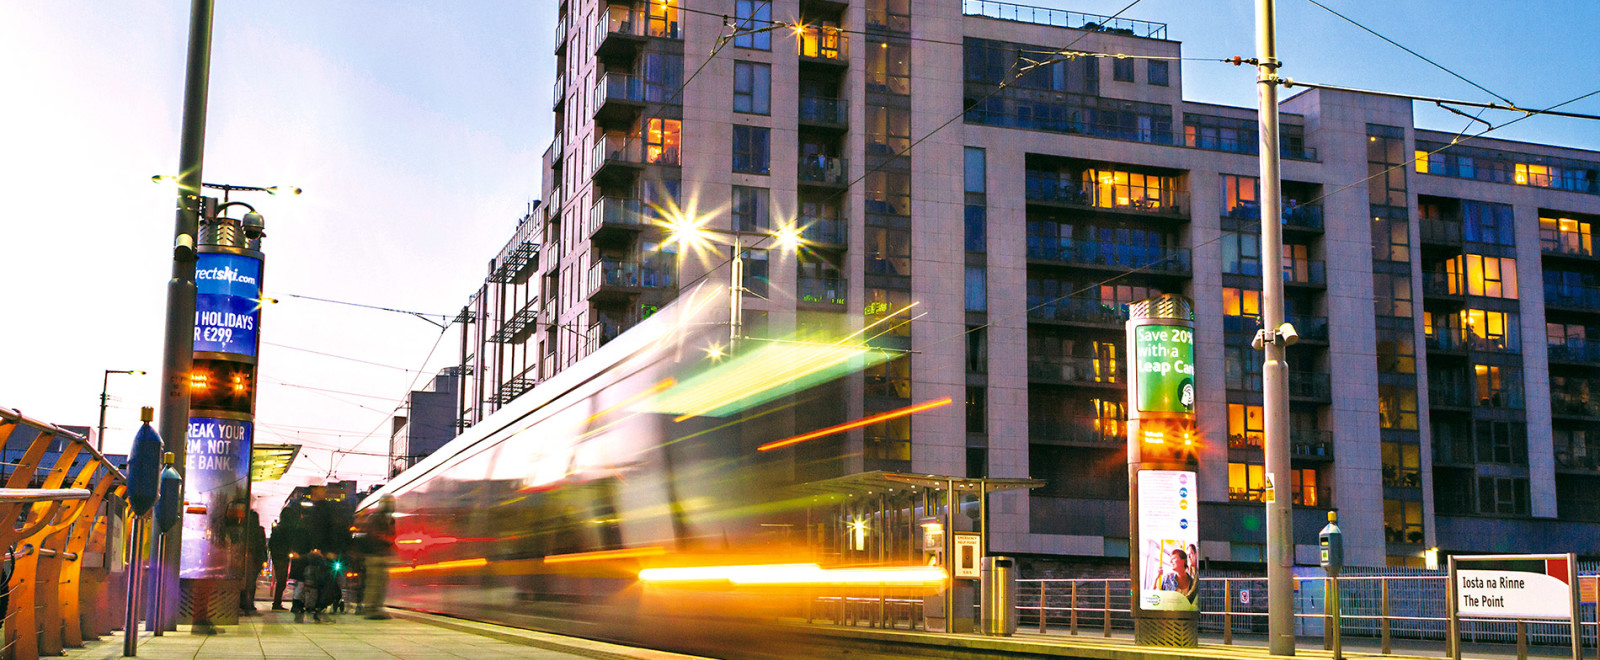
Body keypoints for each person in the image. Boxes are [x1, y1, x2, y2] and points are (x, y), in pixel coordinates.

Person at [358, 495, 397, 619]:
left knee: (382, 583)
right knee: (374, 583)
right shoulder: (374, 518)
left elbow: (392, 535)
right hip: (373, 556)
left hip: (383, 556)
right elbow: (374, 535)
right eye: (389, 503)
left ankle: (377, 607)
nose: (391, 505)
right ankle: (370, 609)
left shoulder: (391, 520)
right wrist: (387, 541)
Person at [268, 507, 308, 610]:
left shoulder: (278, 528)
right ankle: (276, 603)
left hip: (278, 556)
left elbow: (271, 544)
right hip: (283, 556)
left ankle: (277, 602)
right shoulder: (290, 529)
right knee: (282, 580)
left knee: (281, 580)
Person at [241, 510, 267, 614]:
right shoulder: (260, 530)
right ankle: (250, 602)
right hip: (256, 559)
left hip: (246, 558)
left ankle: (243, 602)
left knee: (244, 581)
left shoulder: (244, 530)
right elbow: (262, 546)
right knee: (252, 582)